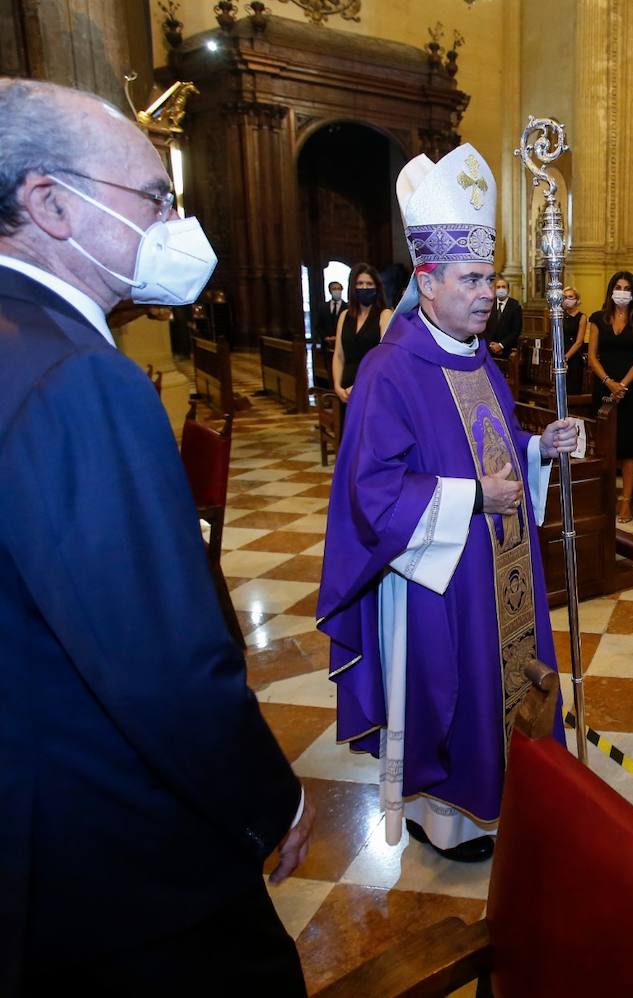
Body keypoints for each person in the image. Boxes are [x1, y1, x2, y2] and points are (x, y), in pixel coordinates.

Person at [0, 77, 311, 992]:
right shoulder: (79, 378)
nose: (176, 221)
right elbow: (160, 663)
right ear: (50, 202)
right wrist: (271, 799)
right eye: (156, 197)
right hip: (114, 860)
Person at [317, 143, 578, 867]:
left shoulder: (477, 355)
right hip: (437, 577)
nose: (488, 292)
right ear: (427, 285)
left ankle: (516, 789)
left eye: (491, 276)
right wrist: (469, 500)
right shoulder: (388, 369)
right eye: (472, 279)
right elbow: (372, 492)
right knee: (450, 689)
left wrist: (536, 449)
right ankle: (454, 816)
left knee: (507, 676)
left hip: (498, 571)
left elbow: (490, 446)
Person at [589, 271, 633, 522]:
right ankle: (605, 497)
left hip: (631, 388)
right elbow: (592, 355)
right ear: (611, 290)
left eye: (627, 288)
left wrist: (622, 385)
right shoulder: (598, 318)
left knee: (628, 446)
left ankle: (626, 501)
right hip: (604, 385)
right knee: (605, 445)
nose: (623, 292)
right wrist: (608, 383)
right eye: (618, 287)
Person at [331, 262, 392, 428]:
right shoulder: (344, 316)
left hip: (372, 388)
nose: (364, 287)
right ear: (353, 287)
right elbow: (338, 355)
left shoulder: (384, 315)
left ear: (377, 287)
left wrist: (360, 385)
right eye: (360, 283)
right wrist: (337, 386)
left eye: (369, 284)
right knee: (349, 443)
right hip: (346, 391)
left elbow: (386, 358)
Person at [484, 274, 522, 355]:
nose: (501, 289)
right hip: (489, 348)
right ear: (494, 289)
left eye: (503, 287)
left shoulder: (515, 306)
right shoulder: (489, 304)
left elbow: (516, 331)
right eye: (498, 287)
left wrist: (501, 345)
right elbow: (484, 327)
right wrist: (490, 344)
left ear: (508, 289)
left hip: (507, 349)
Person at [560, 285, 588, 393]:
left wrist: (566, 358)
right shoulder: (560, 315)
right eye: (565, 297)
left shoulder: (582, 317)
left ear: (576, 300)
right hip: (561, 354)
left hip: (574, 357)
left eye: (570, 297)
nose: (567, 300)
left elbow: (579, 341)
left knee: (572, 390)